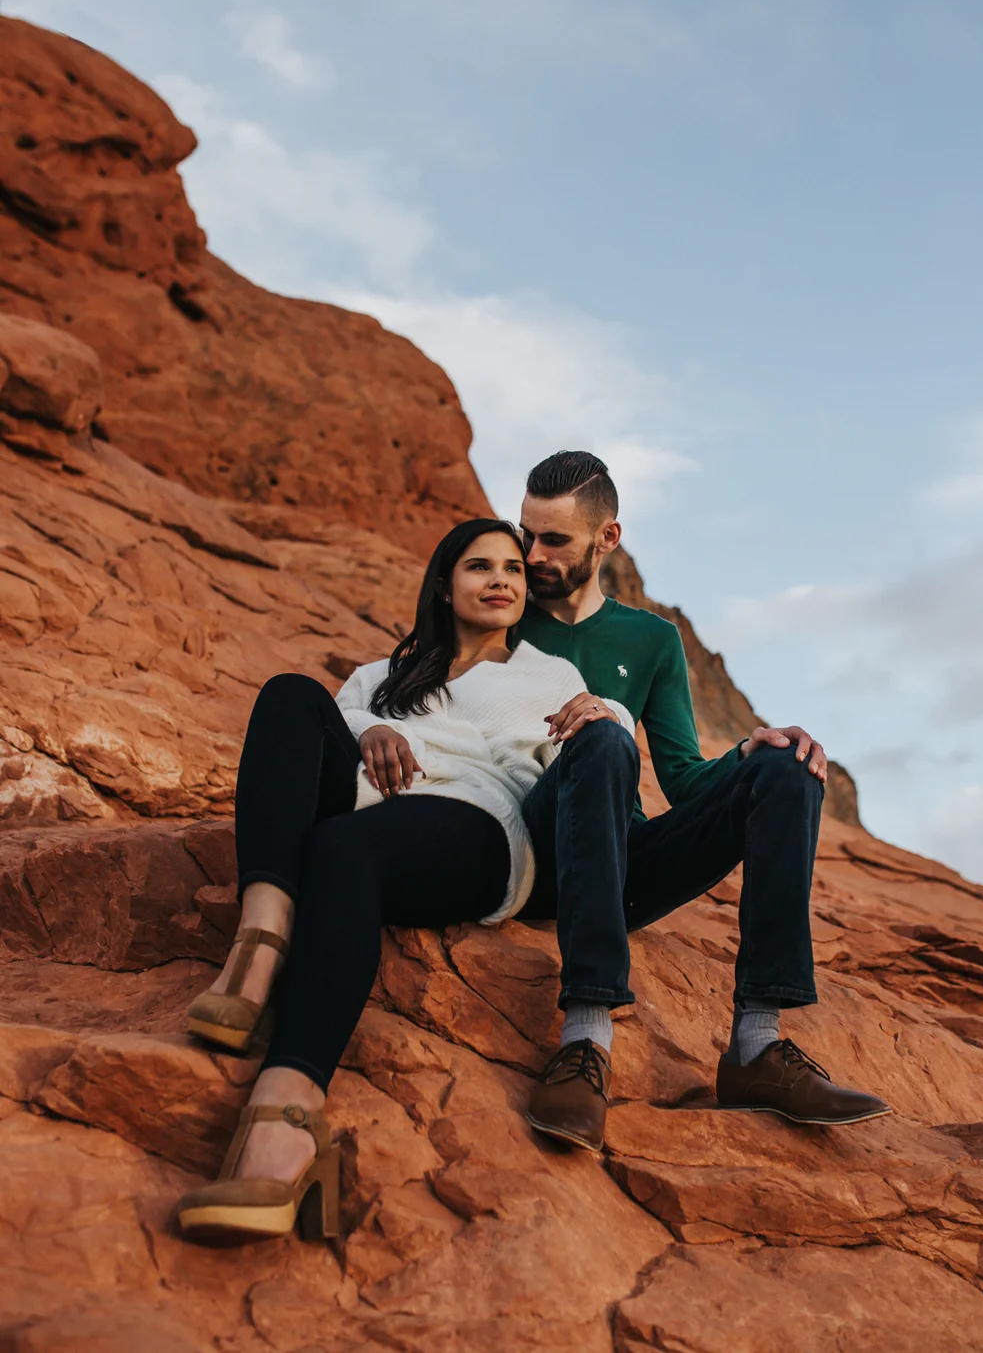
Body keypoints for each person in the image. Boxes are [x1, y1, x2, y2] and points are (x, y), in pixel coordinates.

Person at [174, 517, 632, 1245]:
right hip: (373, 794)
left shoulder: (550, 673)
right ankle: (258, 949)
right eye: (480, 566)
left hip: (480, 823)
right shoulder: (386, 675)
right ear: (444, 585)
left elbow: (595, 759)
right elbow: (335, 721)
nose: (501, 579)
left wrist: (612, 712)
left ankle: (288, 1119)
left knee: (342, 849)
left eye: (513, 568)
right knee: (290, 693)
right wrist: (370, 729)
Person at [514, 450, 890, 1152]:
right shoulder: (500, 612)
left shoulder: (651, 640)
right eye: (526, 533)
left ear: (607, 538)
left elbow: (684, 778)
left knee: (787, 767)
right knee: (601, 737)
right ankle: (586, 1041)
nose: (532, 555)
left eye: (554, 539)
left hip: (621, 872)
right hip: (528, 853)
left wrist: (748, 752)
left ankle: (756, 1045)